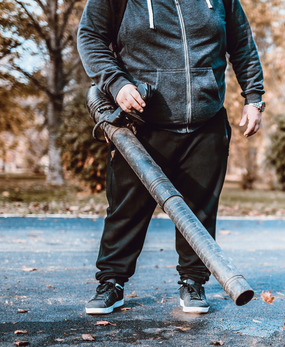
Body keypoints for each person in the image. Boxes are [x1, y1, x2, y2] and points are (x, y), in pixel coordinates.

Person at [77, 0, 265, 315]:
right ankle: (111, 283)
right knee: (126, 210)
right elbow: (90, 37)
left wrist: (254, 97)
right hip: (140, 125)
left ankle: (193, 282)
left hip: (206, 123)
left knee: (199, 210)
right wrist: (117, 83)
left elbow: (242, 43)